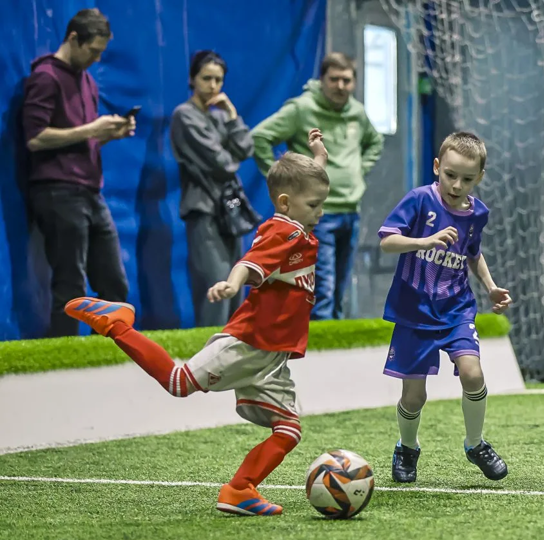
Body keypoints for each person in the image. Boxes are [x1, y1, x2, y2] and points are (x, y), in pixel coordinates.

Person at [61, 130, 330, 516]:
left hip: (272, 356)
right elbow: (248, 263)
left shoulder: (299, 225)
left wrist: (319, 156)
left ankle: (239, 490)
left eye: (322, 203)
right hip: (249, 342)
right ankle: (118, 324)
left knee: (288, 430)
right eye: (315, 205)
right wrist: (232, 284)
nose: (320, 211)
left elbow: (310, 181)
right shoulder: (283, 231)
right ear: (285, 203)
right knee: (178, 382)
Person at [378, 132, 512, 483]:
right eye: (450, 175)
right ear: (437, 166)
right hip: (413, 312)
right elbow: (387, 241)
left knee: (473, 374)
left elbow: (473, 253)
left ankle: (475, 444)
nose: (456, 185)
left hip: (456, 309)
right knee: (414, 397)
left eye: (467, 179)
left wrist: (491, 287)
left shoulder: (477, 213)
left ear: (479, 177)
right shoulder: (420, 200)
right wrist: (423, 241)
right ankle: (407, 448)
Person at [22, 8, 135, 337]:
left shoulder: (87, 81)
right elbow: (34, 138)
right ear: (73, 39)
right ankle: (64, 356)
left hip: (90, 191)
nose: (97, 59)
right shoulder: (46, 77)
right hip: (56, 190)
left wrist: (108, 134)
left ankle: (108, 355)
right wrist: (91, 130)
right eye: (93, 51)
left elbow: (81, 138)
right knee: (70, 284)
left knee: (114, 283)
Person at [252, 52, 384, 321]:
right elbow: (260, 137)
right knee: (321, 290)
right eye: (334, 79)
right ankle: (315, 342)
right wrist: (283, 181)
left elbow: (375, 142)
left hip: (351, 210)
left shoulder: (357, 112)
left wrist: (359, 170)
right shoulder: (302, 109)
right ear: (321, 79)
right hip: (316, 215)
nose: (340, 86)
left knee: (340, 289)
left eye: (346, 80)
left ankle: (334, 341)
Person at [170, 50, 256, 327]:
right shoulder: (184, 115)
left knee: (234, 284)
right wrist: (230, 157)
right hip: (203, 210)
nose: (213, 86)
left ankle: (231, 346)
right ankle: (209, 349)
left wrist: (231, 114)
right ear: (192, 79)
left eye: (218, 80)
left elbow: (246, 148)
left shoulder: (220, 117)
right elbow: (223, 164)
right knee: (216, 284)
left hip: (228, 211)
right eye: (206, 78)